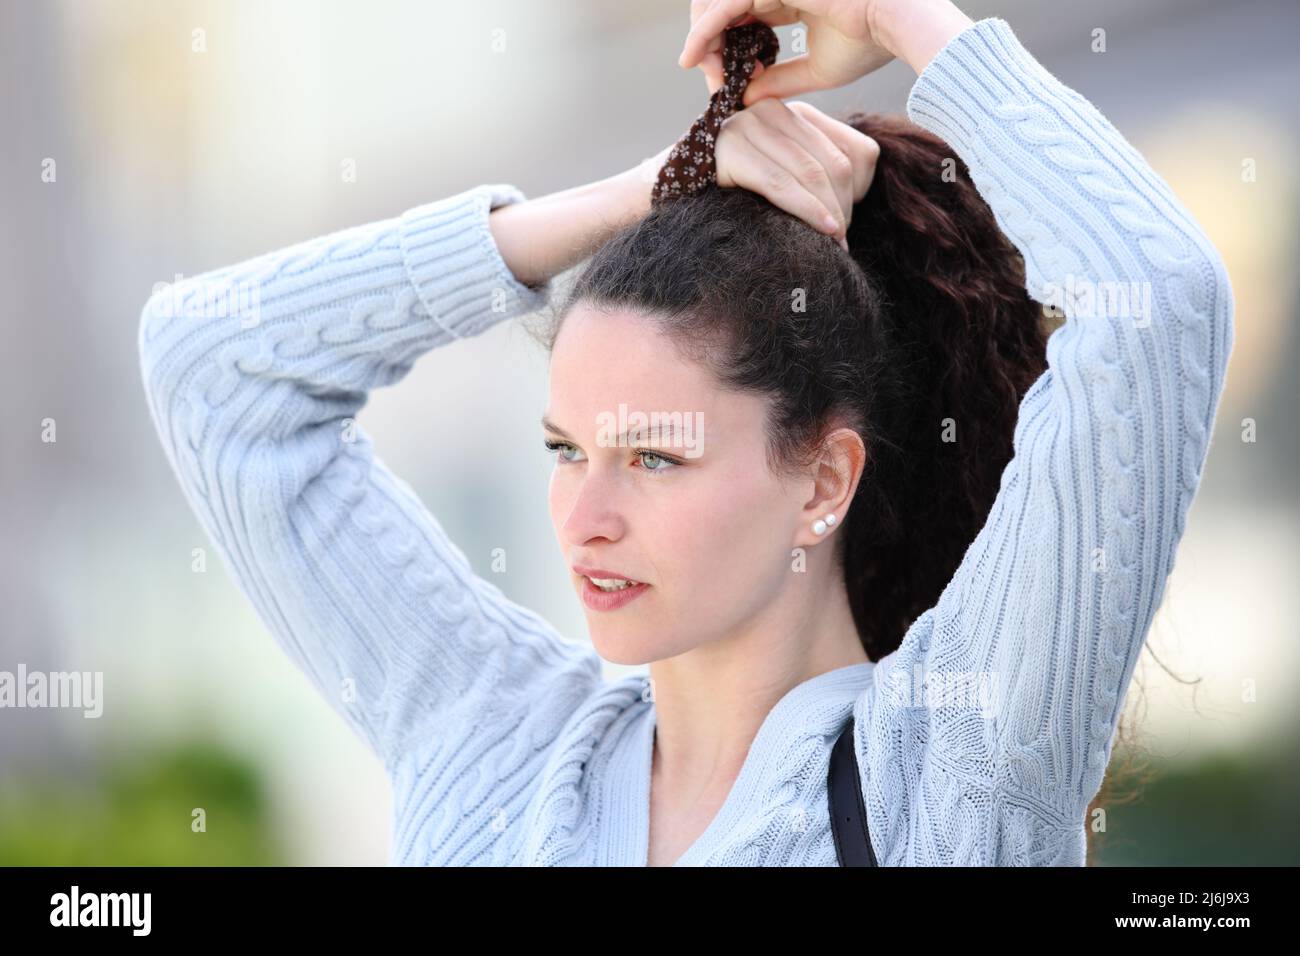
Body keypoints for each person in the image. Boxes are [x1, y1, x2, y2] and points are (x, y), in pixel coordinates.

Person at [138, 0, 1235, 865]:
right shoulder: (493, 738)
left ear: (822, 480)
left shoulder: (956, 765)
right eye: (566, 448)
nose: (585, 519)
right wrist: (639, 194)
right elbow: (210, 366)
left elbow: (1159, 296)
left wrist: (894, 12)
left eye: (654, 455)